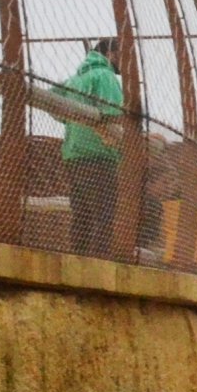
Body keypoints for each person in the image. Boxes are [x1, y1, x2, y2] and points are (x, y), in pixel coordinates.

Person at [59, 39, 125, 257]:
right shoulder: (105, 76)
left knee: (81, 217)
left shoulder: (74, 80)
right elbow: (114, 114)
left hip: (73, 155)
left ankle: (77, 264)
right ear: (111, 52)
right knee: (103, 218)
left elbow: (56, 106)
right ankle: (97, 269)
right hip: (99, 155)